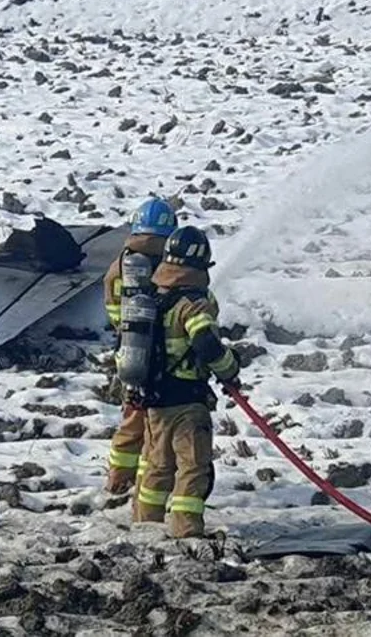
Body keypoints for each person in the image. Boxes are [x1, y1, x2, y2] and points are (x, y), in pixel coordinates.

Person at [133, 225, 241, 538]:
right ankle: (186, 530)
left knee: (157, 465)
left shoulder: (154, 295)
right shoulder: (194, 303)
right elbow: (206, 343)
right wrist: (230, 368)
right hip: (186, 400)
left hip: (154, 398)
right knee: (193, 466)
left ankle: (145, 528)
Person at [103, 197, 178, 495]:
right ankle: (148, 485)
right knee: (154, 422)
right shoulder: (171, 263)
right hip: (164, 355)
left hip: (130, 351)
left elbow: (113, 310)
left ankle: (118, 478)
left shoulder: (120, 265)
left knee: (132, 416)